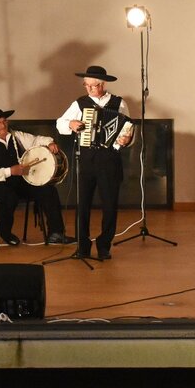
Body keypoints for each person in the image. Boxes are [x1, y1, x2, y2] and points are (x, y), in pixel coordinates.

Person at [57, 65, 134, 260]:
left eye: (93, 85)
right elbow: (60, 123)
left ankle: (104, 245)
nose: (89, 89)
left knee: (110, 205)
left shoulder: (119, 103)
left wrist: (126, 140)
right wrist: (71, 124)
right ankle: (83, 246)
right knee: (83, 204)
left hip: (110, 160)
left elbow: (128, 128)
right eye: (86, 85)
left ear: (103, 84)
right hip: (86, 159)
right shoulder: (80, 103)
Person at [0, 108, 73, 246]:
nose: (3, 125)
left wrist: (49, 142)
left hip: (17, 182)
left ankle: (56, 233)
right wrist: (10, 171)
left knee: (47, 190)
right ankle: (3, 230)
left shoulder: (16, 136)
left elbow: (36, 140)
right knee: (9, 197)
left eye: (4, 121)